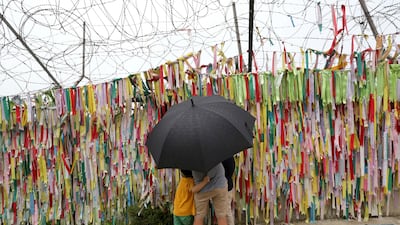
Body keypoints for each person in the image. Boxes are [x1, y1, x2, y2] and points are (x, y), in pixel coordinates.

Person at [222, 156, 235, 225]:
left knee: (227, 211)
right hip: (224, 185)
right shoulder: (229, 156)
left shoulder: (227, 157)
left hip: (226, 186)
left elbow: (230, 171)